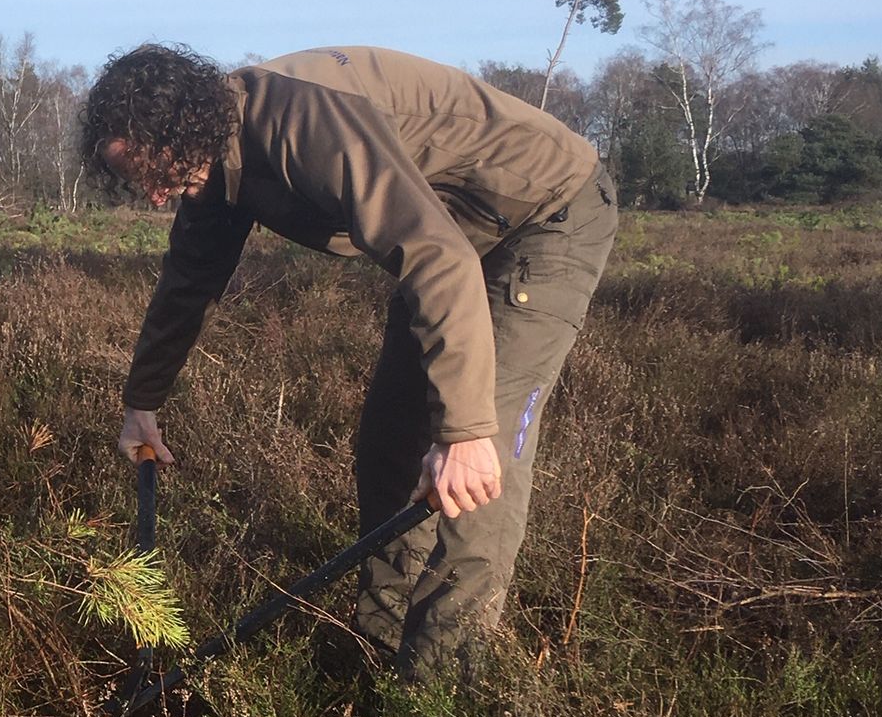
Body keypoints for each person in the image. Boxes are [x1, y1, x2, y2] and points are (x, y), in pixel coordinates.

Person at [83, 44, 617, 679]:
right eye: (134, 179)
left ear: (181, 126)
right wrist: (142, 403)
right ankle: (378, 651)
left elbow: (435, 258)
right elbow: (187, 284)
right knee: (392, 443)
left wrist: (467, 431)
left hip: (546, 214)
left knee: (474, 468)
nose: (152, 195)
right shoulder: (211, 167)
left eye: (152, 170)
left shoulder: (302, 122)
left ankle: (435, 691)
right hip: (457, 240)